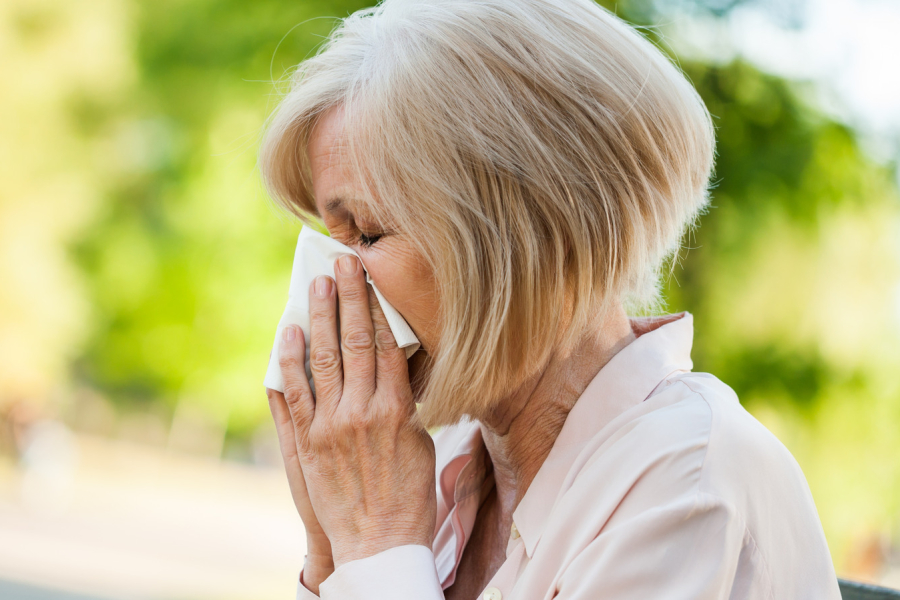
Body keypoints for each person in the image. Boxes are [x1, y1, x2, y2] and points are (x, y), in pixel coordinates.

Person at [260, 0, 841, 598]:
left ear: (522, 237)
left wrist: (375, 543)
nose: (330, 283)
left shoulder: (689, 483)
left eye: (368, 234)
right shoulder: (447, 470)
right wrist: (333, 555)